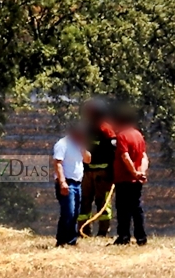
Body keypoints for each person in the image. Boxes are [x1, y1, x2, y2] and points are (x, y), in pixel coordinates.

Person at [78, 98, 116, 237]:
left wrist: (113, 174)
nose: (89, 115)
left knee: (103, 204)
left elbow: (114, 152)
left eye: (91, 112)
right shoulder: (84, 129)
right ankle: (83, 231)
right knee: (84, 202)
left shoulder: (106, 129)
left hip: (103, 174)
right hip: (86, 173)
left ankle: (102, 232)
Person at [112, 105, 149, 246]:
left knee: (123, 209)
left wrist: (133, 172)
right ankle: (141, 237)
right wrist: (141, 173)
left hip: (124, 178)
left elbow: (124, 156)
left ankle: (124, 236)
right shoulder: (138, 135)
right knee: (136, 208)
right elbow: (144, 156)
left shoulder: (121, 136)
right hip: (137, 180)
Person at [53, 124, 91, 247]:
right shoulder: (62, 144)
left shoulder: (79, 145)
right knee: (68, 212)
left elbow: (88, 160)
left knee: (75, 212)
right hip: (67, 182)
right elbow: (58, 164)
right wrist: (62, 182)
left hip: (77, 183)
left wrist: (83, 149)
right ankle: (62, 240)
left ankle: (71, 240)